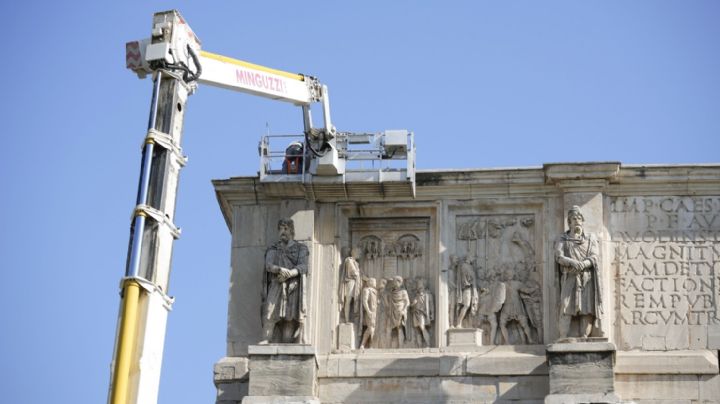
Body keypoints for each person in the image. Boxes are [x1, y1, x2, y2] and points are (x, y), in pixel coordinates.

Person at [555, 206, 602, 339]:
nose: (577, 220)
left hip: (586, 277)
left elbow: (594, 255)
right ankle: (563, 337)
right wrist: (573, 262)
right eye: (573, 218)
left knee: (586, 308)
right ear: (569, 222)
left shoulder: (590, 238)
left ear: (582, 220)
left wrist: (584, 264)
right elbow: (559, 256)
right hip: (569, 276)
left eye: (579, 218)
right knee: (565, 306)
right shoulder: (563, 239)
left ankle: (584, 336)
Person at [260, 218, 309, 343]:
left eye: (285, 229)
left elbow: (303, 266)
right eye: (280, 229)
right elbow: (268, 265)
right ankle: (266, 340)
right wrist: (280, 270)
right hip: (276, 284)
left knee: (289, 317)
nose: (283, 232)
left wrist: (291, 273)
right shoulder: (274, 249)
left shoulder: (300, 248)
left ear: (292, 231)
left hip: (292, 286)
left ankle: (287, 345)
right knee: (269, 312)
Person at [339, 247, 361, 323]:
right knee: (348, 300)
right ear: (354, 252)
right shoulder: (349, 260)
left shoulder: (356, 263)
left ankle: (350, 318)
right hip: (350, 282)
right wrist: (359, 274)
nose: (360, 254)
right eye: (359, 253)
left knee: (353, 300)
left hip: (355, 283)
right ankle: (346, 319)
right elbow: (354, 272)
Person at [454, 256, 477, 328]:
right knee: (466, 305)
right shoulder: (465, 266)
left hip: (470, 288)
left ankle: (461, 322)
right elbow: (467, 277)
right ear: (469, 258)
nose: (473, 260)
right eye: (472, 258)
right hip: (467, 288)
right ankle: (458, 322)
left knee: (468, 306)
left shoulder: (468, 266)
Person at [411, 277, 434, 347]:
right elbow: (412, 304)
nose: (417, 285)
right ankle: (420, 346)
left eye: (419, 283)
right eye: (417, 284)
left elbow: (431, 305)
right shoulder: (417, 295)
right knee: (418, 330)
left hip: (422, 313)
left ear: (423, 285)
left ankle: (428, 344)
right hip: (416, 313)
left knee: (422, 327)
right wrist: (413, 304)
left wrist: (432, 314)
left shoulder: (428, 295)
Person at [388, 276, 410, 348]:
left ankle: (401, 346)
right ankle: (393, 346)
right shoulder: (392, 292)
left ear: (399, 282)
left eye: (395, 281)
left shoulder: (403, 291)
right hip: (393, 311)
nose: (393, 283)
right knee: (394, 328)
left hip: (400, 310)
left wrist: (404, 310)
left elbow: (407, 302)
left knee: (400, 327)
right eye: (393, 281)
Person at [359, 277, 378, 349]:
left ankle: (363, 344)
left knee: (370, 329)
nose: (375, 283)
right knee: (371, 328)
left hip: (375, 312)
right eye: (374, 281)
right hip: (370, 311)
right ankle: (371, 345)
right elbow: (365, 301)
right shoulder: (367, 290)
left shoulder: (375, 291)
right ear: (370, 282)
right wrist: (368, 311)